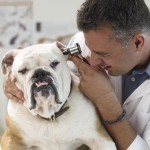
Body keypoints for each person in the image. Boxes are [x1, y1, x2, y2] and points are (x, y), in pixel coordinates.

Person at [3, 0, 150, 149]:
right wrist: (15, 81)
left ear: (137, 43)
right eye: (89, 48)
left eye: (102, 54)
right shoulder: (88, 41)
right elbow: (56, 78)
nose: (92, 60)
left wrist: (106, 100)